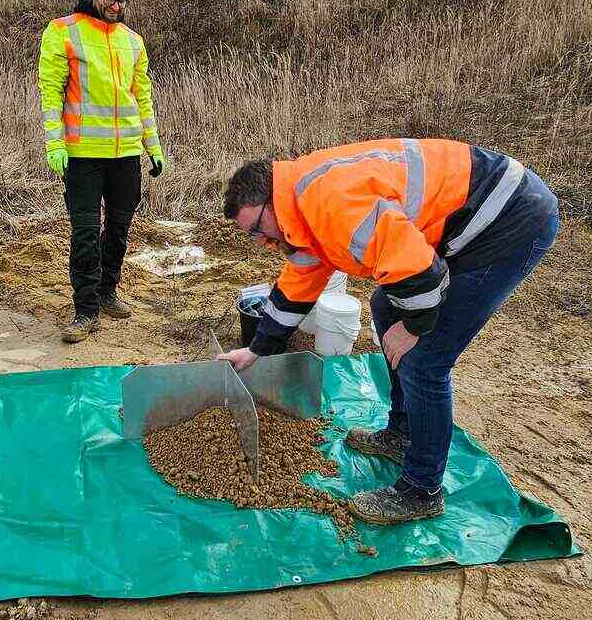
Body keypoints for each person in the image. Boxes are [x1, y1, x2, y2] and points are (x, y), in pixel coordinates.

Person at [220, 139, 559, 525]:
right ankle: (404, 433)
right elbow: (297, 285)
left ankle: (422, 490)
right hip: (471, 214)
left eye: (258, 228)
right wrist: (256, 350)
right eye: (251, 236)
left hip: (508, 218)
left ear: (271, 201)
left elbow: (420, 275)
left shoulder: (331, 205)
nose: (262, 242)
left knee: (425, 360)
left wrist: (414, 327)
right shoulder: (298, 215)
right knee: (384, 305)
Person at [37, 0, 166, 343]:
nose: (115, 6)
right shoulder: (62, 32)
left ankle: (108, 291)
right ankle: (85, 310)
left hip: (126, 152)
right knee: (86, 233)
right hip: (82, 154)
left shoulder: (133, 41)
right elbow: (50, 93)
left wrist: (153, 146)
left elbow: (142, 97)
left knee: (120, 229)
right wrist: (55, 142)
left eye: (122, 0)